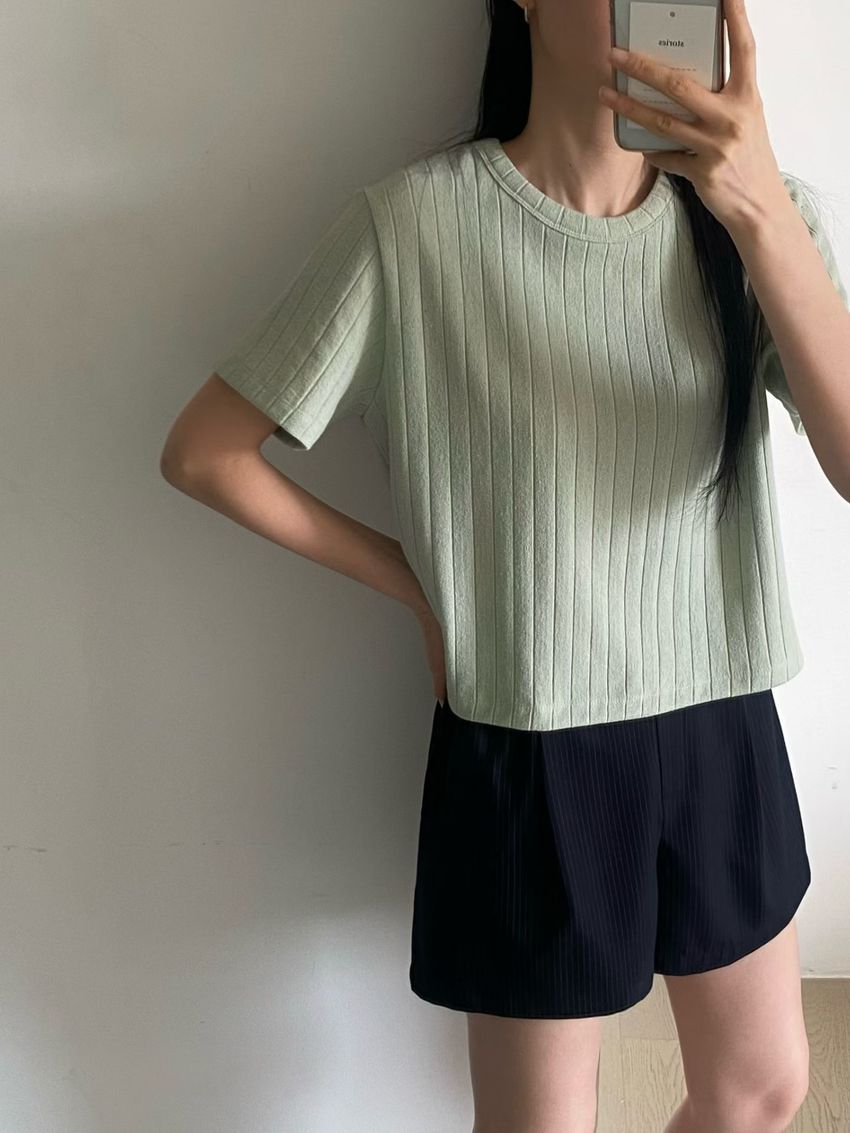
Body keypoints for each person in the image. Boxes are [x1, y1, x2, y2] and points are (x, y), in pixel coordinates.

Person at [160, 0, 850, 1128]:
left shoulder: (761, 215)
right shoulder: (415, 228)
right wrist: (417, 586)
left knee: (762, 1089)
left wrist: (762, 208)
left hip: (724, 707)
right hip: (534, 737)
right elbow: (206, 452)